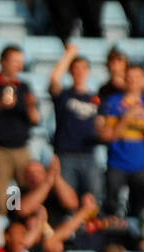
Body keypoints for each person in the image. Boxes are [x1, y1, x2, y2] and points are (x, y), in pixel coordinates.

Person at [0, 46, 39, 206]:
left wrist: (31, 106)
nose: (19, 66)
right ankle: (6, 225)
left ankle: (17, 222)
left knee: (21, 194)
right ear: (3, 62)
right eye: (15, 61)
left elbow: (35, 120)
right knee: (1, 199)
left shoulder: (24, 87)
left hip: (22, 149)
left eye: (20, 62)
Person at [97, 63, 144, 217]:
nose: (133, 81)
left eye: (137, 77)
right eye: (130, 77)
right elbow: (109, 136)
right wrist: (126, 119)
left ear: (143, 79)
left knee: (142, 209)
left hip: (141, 164)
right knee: (112, 207)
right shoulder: (113, 102)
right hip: (117, 163)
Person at [49, 43, 102, 204]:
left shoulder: (96, 99)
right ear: (71, 71)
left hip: (90, 154)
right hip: (66, 154)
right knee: (67, 199)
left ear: (88, 71)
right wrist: (69, 55)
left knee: (95, 198)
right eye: (76, 68)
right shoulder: (64, 95)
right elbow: (54, 79)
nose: (79, 72)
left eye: (83, 68)